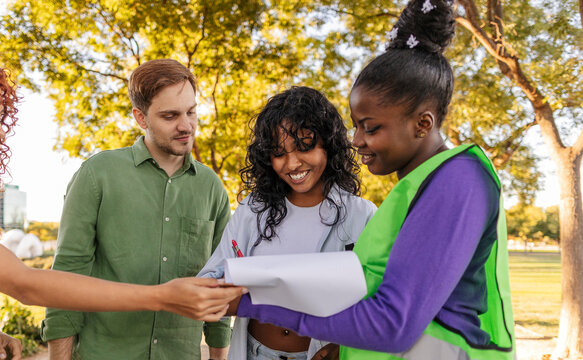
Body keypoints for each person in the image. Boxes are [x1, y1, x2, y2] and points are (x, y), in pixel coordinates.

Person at [230, 1, 516, 359]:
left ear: (422, 124)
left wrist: (254, 303)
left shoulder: (458, 180)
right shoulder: (416, 187)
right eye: (355, 125)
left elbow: (392, 324)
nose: (355, 140)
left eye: (371, 127)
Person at [0, 67, 245, 360]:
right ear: (140, 117)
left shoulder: (212, 188)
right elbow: (63, 273)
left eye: (191, 112)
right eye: (170, 116)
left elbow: (219, 281)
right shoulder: (97, 175)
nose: (186, 126)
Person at [198, 86, 377, 360]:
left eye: (305, 146)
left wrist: (342, 347)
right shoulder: (252, 211)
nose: (292, 163)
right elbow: (209, 284)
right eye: (279, 152)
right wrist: (233, 288)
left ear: (328, 144)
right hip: (256, 352)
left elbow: (377, 303)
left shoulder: (361, 215)